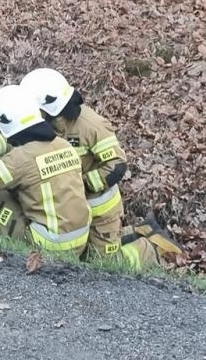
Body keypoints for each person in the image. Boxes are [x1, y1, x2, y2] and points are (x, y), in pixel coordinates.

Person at [20, 67, 181, 268]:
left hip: (100, 209)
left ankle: (151, 248)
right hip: (74, 208)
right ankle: (137, 231)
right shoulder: (44, 125)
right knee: (85, 257)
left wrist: (81, 186)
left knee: (105, 264)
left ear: (45, 106)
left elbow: (116, 166)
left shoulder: (90, 125)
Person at [0, 84, 91, 255]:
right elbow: (21, 148)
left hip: (48, 246)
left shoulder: (20, 159)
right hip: (79, 241)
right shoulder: (64, 145)